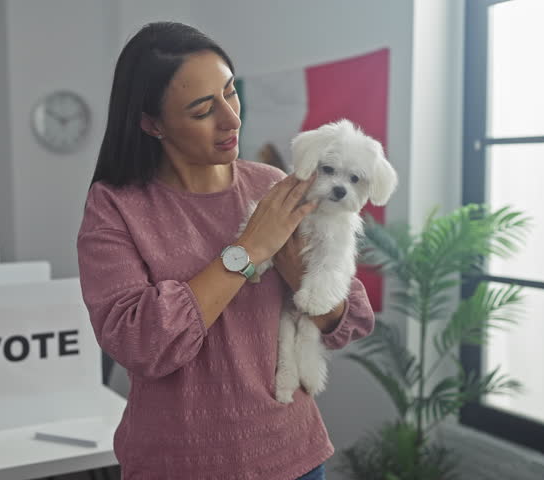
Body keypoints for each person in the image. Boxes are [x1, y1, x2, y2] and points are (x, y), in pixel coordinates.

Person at [77, 21, 375, 480]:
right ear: (152, 123)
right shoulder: (115, 207)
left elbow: (346, 322)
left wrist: (301, 277)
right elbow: (141, 343)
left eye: (231, 92)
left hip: (293, 455)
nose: (232, 119)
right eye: (202, 110)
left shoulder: (276, 186)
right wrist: (248, 249)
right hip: (179, 464)